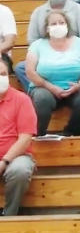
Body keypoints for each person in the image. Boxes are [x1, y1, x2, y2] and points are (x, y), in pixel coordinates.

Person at [25, 10, 80, 137]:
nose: (58, 26)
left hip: (77, 86)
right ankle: (38, 135)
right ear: (47, 28)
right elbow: (30, 71)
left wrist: (79, 85)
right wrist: (51, 87)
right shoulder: (37, 45)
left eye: (61, 22)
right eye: (53, 24)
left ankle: (70, 133)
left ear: (67, 25)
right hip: (45, 87)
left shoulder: (79, 43)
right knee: (42, 99)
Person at [0, 58, 37, 216]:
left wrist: (4, 161)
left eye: (2, 73)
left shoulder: (22, 100)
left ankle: (9, 216)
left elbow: (25, 138)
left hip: (16, 157)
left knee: (20, 170)